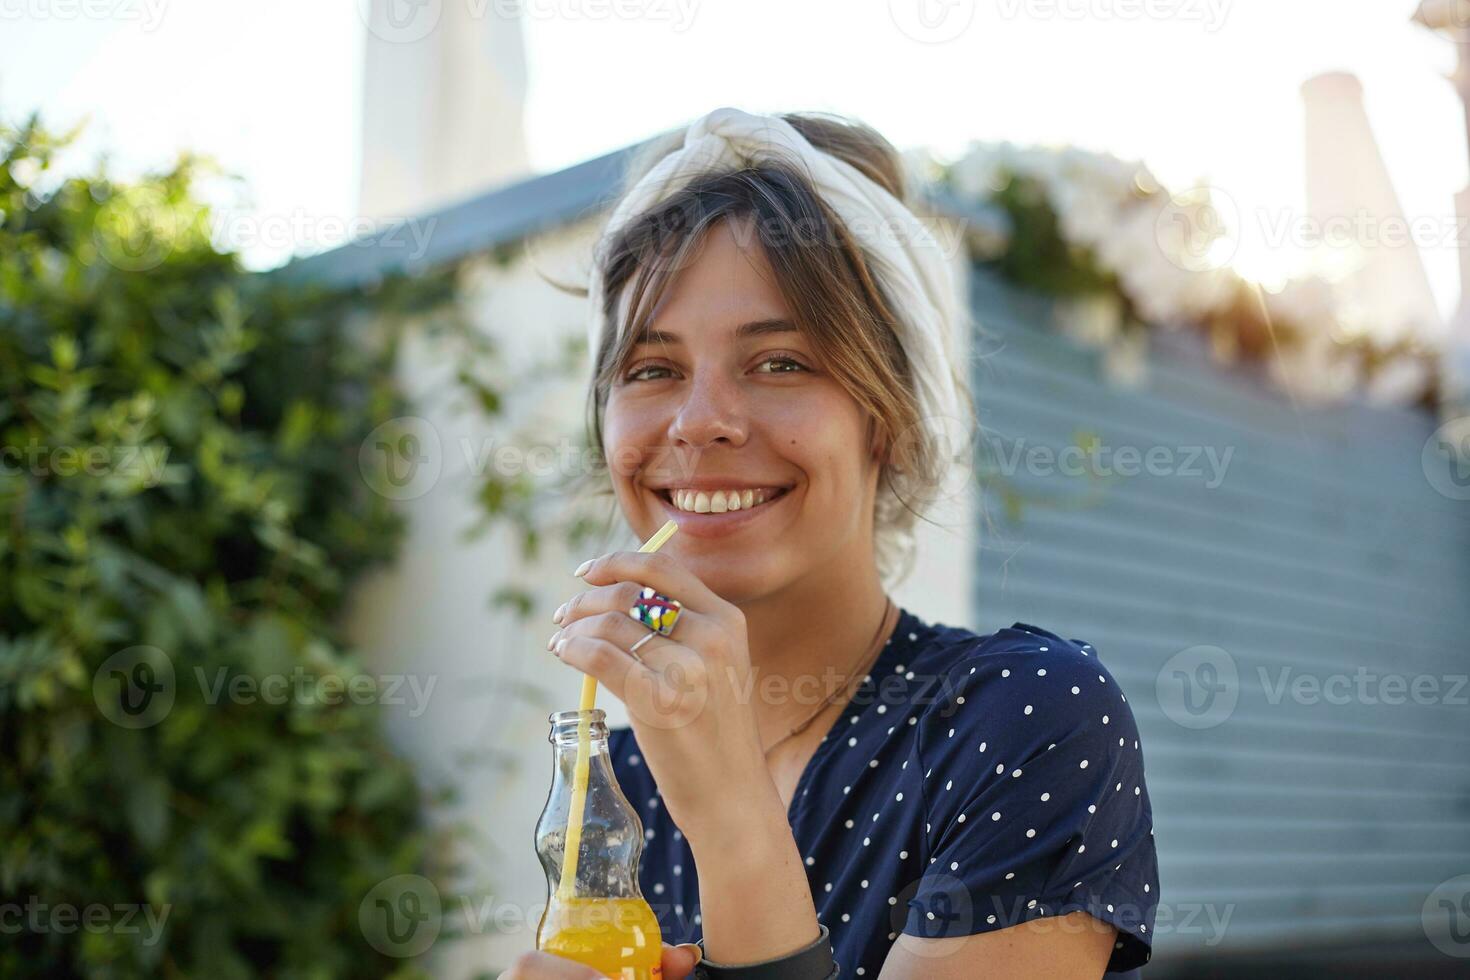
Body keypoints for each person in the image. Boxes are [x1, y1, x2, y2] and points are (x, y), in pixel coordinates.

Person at [504, 107, 1158, 980]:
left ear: (885, 420)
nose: (700, 423)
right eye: (652, 369)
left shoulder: (1019, 720)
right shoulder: (620, 780)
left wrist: (735, 823)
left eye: (780, 363)